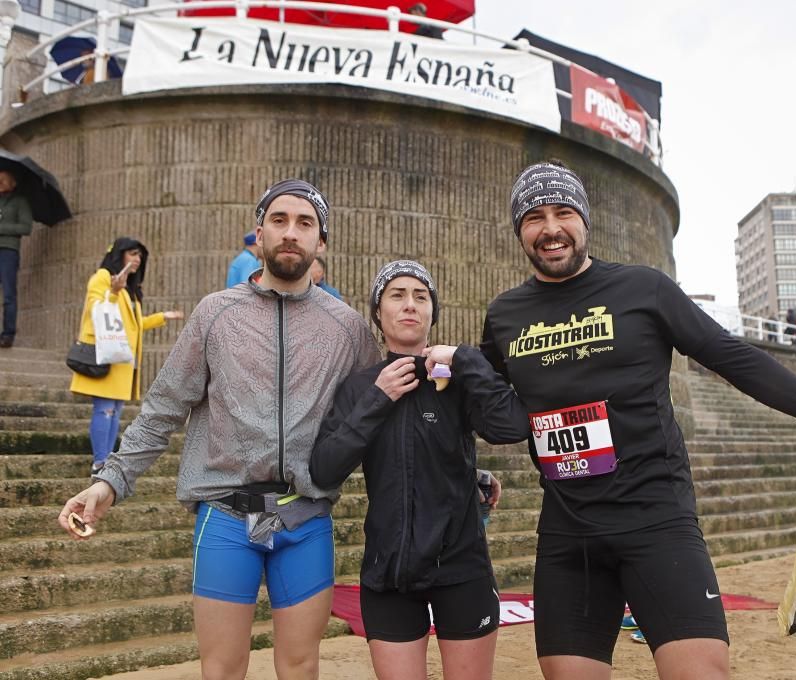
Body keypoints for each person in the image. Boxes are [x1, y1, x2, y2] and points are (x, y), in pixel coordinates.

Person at [479, 160, 796, 680]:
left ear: (585, 220)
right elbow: (486, 406)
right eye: (534, 217)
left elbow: (730, 356)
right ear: (519, 230)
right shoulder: (504, 315)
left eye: (563, 211)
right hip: (570, 537)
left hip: (656, 522)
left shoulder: (642, 289)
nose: (550, 228)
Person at [58, 179, 381, 680]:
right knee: (222, 669)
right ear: (258, 233)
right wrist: (109, 481)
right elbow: (164, 408)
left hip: (305, 518)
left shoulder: (349, 329)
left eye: (304, 224)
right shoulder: (215, 313)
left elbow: (379, 423)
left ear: (322, 243)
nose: (290, 233)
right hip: (226, 518)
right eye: (279, 221)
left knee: (300, 666)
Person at [310, 259, 527, 680]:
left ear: (432, 312)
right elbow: (324, 469)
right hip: (388, 570)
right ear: (378, 312)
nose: (410, 305)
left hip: (461, 566)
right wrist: (378, 398)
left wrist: (467, 360)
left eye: (420, 297)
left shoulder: (456, 378)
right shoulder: (361, 386)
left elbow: (511, 426)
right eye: (397, 295)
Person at [69, 237, 184, 475]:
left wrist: (163, 316)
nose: (137, 260)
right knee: (105, 410)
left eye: (140, 256)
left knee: (115, 412)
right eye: (132, 254)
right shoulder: (103, 277)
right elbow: (96, 307)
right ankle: (99, 462)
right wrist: (113, 291)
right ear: (119, 255)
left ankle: (105, 460)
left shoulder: (131, 290)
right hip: (106, 355)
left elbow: (134, 324)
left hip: (121, 358)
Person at [0, 170, 33, 348]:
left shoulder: (20, 201)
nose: (0, 181)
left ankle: (8, 334)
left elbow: (26, 227)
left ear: (13, 182)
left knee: (8, 295)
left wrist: (2, 227)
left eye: (4, 179)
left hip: (8, 251)